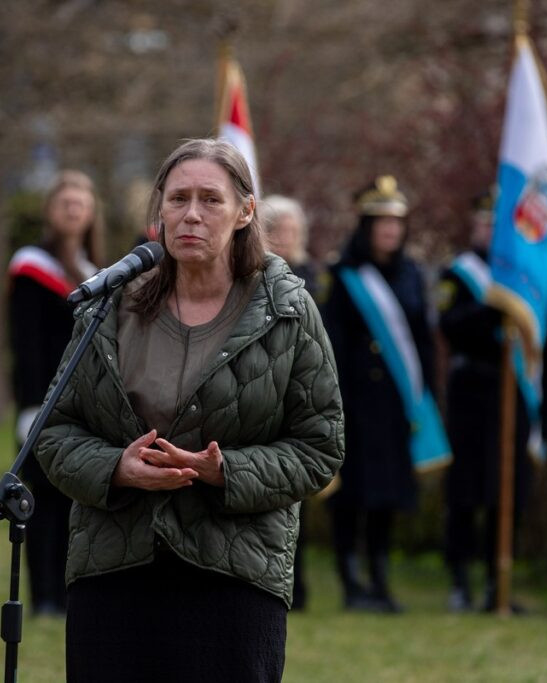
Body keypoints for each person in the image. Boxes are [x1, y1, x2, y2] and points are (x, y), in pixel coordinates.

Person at [35, 138, 344, 682]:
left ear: (245, 211)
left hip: (235, 576)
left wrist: (226, 472)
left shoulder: (288, 312)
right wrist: (115, 468)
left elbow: (319, 448)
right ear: (160, 210)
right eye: (178, 199)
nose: (191, 215)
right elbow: (54, 430)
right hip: (113, 570)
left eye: (210, 199)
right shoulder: (110, 306)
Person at [436, 190, 547, 613]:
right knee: (465, 493)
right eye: (484, 223)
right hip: (472, 394)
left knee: (507, 493)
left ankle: (498, 582)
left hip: (516, 393)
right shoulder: (459, 275)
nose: (491, 232)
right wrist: (492, 309)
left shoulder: (527, 278)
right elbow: (451, 327)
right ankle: (460, 582)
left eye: (498, 225)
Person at [322, 175, 445, 613]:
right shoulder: (342, 276)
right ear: (367, 226)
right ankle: (351, 583)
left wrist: (427, 395)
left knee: (387, 495)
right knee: (351, 495)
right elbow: (330, 343)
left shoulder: (411, 274)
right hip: (353, 402)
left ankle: (379, 581)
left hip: (396, 404)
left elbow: (422, 340)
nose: (391, 230)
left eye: (397, 222)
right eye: (382, 222)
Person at [7, 169, 104, 616]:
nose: (73, 209)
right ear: (50, 210)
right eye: (65, 202)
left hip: (85, 406)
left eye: (81, 203)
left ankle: (68, 592)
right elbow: (24, 342)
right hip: (43, 402)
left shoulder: (95, 272)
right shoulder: (31, 266)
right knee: (41, 499)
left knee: (74, 502)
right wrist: (30, 405)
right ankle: (43, 595)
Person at [260, 194, 327, 611]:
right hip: (267, 394)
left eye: (291, 231)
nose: (285, 238)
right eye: (277, 230)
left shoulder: (311, 278)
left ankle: (296, 585)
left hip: (300, 394)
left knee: (295, 496)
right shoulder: (253, 277)